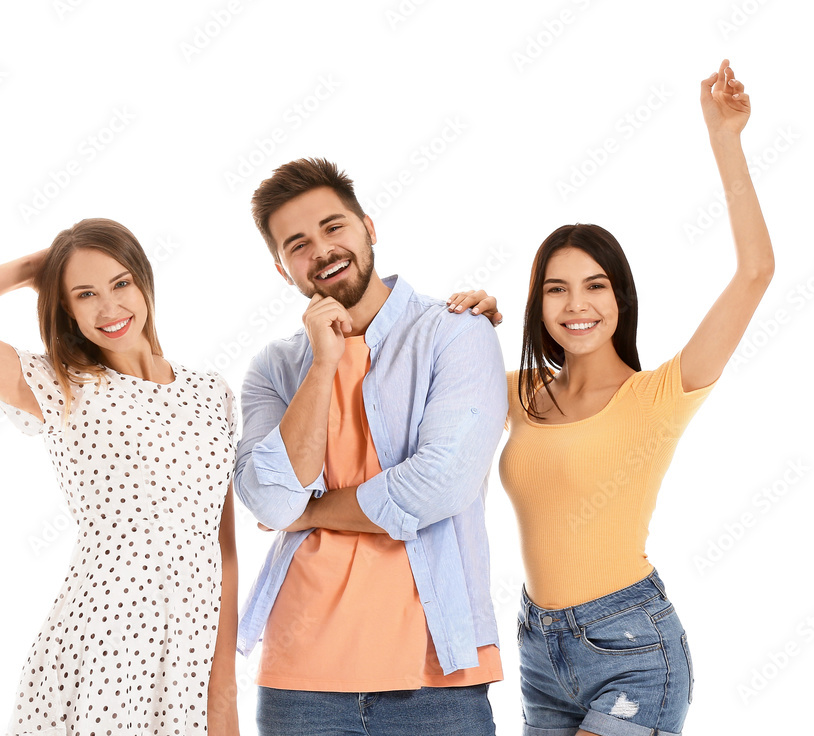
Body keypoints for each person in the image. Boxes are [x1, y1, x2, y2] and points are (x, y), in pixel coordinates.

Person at [449, 59, 773, 736]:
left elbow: (755, 272)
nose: (577, 305)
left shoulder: (659, 394)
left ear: (619, 298)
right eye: (556, 288)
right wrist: (464, 324)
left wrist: (725, 140)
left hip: (633, 647)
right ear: (538, 304)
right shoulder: (517, 393)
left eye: (595, 285)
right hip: (539, 648)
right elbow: (422, 396)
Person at [0, 218, 240, 736]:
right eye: (85, 294)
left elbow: (223, 543)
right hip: (102, 641)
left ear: (145, 281)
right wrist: (39, 265)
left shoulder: (211, 391)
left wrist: (223, 682)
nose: (109, 307)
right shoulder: (59, 384)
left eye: (121, 283)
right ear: (65, 308)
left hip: (188, 650)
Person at [233, 158, 508, 735]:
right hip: (299, 681)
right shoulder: (277, 368)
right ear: (283, 269)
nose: (323, 251)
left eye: (334, 227)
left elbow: (441, 483)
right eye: (298, 244)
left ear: (368, 227)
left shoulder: (456, 330)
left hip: (435, 677)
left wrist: (313, 511)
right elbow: (270, 505)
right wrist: (322, 367)